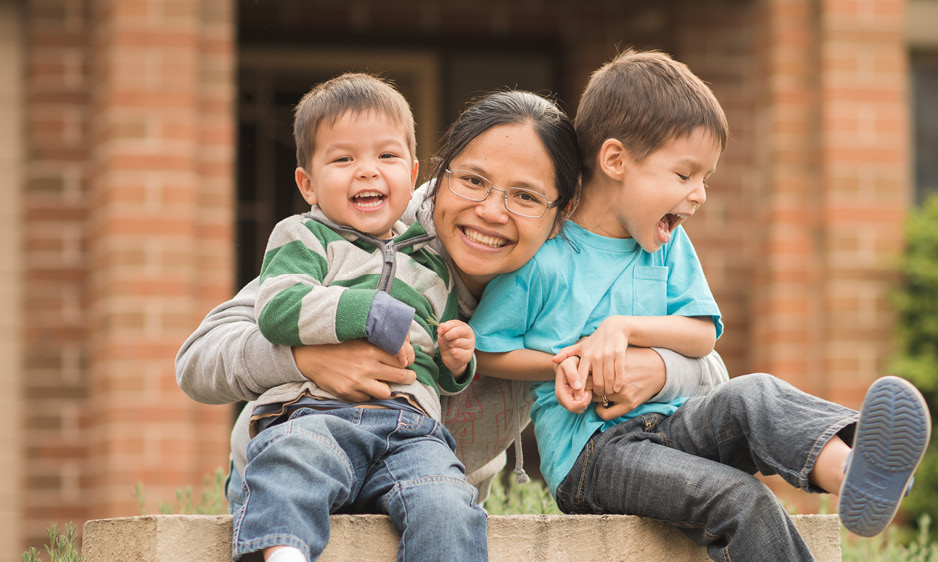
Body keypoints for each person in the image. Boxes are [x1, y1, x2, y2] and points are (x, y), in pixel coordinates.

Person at [177, 86, 731, 556]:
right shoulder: (382, 243)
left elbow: (711, 372)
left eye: (525, 196)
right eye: (472, 181)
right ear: (436, 177)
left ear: (561, 216)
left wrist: (654, 369)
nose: (491, 211)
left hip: (425, 499)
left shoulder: (572, 279)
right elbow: (199, 357)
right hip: (304, 469)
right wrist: (305, 357)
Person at [469, 49, 931, 562]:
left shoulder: (666, 244)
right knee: (741, 499)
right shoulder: (545, 256)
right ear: (616, 160)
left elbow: (702, 335)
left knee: (754, 393)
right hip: (595, 455)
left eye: (705, 179)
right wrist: (565, 362)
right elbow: (486, 351)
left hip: (676, 423)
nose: (700, 195)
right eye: (685, 174)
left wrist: (623, 329)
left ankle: (853, 470)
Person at [232, 72, 487, 562]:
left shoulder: (432, 262)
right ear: (307, 183)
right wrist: (363, 311)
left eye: (386, 156)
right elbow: (278, 308)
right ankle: (284, 554)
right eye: (344, 158)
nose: (367, 171)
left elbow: (430, 360)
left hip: (411, 428)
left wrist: (457, 361)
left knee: (449, 502)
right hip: (315, 413)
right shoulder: (302, 239)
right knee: (289, 462)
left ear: (412, 175)